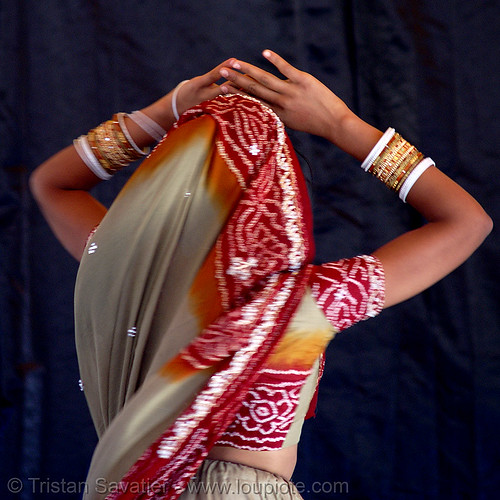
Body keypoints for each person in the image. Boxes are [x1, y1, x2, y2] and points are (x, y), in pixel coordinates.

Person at [30, 50, 492, 500]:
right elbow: (468, 223)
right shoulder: (298, 304)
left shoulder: (123, 269)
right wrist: (341, 124)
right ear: (278, 192)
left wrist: (165, 112)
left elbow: (51, 184)